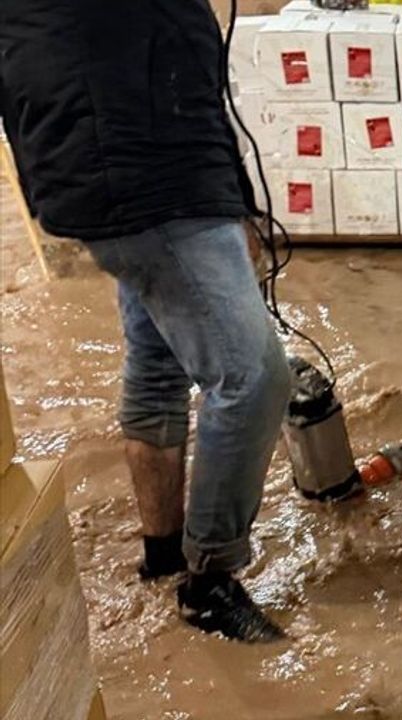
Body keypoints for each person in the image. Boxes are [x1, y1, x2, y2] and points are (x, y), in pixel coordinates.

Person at [0, 0, 290, 642]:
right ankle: (209, 583)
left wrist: (231, 195)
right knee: (253, 378)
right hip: (136, 171)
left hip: (149, 158)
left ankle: (163, 554)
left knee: (159, 360)